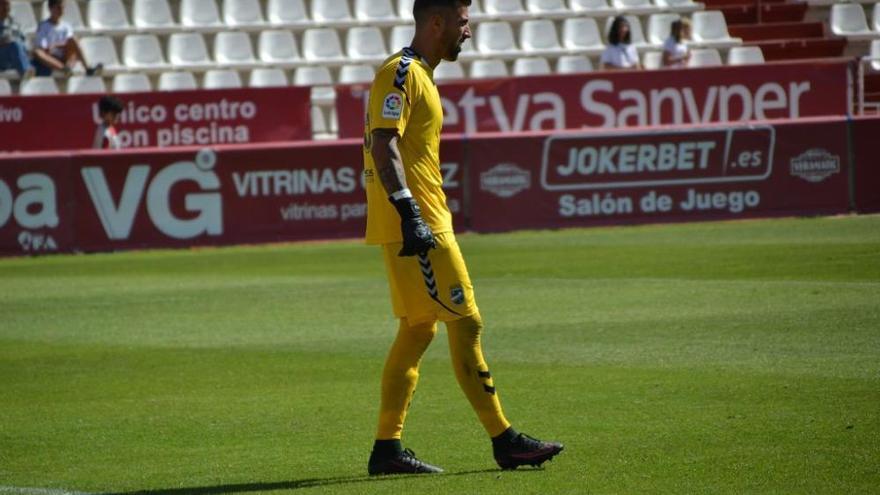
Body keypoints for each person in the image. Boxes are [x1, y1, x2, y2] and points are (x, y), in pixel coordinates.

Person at [362, 0, 563, 476]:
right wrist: (410, 212)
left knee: (417, 329)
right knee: (466, 321)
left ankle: (387, 450)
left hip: (417, 221)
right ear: (437, 22)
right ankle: (505, 440)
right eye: (463, 21)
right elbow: (383, 140)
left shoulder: (420, 75)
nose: (468, 31)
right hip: (419, 226)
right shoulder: (402, 73)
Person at [33, 0, 101, 76]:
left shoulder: (66, 26)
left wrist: (55, 45)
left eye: (62, 8)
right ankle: (64, 69)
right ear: (50, 8)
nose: (61, 11)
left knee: (74, 41)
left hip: (65, 56)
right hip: (51, 57)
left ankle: (87, 68)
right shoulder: (43, 26)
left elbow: (70, 42)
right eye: (58, 8)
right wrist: (50, 48)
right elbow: (43, 46)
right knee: (38, 52)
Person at [0, 0, 33, 77]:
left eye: (7, 5)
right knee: (14, 44)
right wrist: (2, 41)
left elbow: (23, 39)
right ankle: (25, 71)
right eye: (3, 4)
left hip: (14, 56)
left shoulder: (13, 22)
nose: (6, 8)